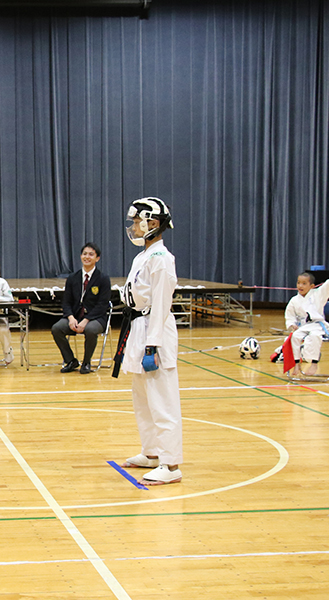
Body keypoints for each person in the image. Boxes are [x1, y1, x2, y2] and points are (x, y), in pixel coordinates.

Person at [113, 197, 182, 486]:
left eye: (137, 222)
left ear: (152, 223)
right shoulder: (142, 256)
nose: (133, 227)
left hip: (155, 328)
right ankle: (152, 452)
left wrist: (153, 345)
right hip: (138, 326)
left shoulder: (162, 259)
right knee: (142, 398)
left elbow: (162, 304)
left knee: (162, 400)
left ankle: (171, 464)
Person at [284, 263, 329, 376]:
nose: (300, 286)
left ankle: (314, 363)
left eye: (304, 283)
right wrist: (292, 324)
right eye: (298, 283)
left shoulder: (318, 294)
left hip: (318, 325)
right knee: (295, 337)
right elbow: (289, 315)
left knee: (314, 336)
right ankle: (297, 363)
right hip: (304, 326)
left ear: (312, 286)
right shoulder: (294, 300)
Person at [51, 243, 111, 374]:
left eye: (91, 254)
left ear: (97, 258)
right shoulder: (73, 278)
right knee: (57, 328)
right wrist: (71, 318)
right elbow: (66, 302)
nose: (87, 257)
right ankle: (71, 361)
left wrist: (86, 320)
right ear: (80, 256)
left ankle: (86, 362)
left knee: (90, 330)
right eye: (85, 254)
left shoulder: (103, 278)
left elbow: (102, 305)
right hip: (76, 317)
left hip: (96, 318)